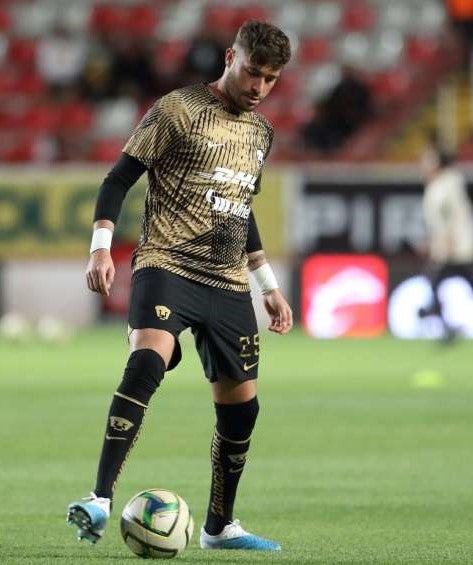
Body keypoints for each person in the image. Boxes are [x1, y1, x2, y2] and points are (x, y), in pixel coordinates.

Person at [66, 20, 293, 552]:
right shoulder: (177, 110)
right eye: (252, 72)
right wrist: (100, 247)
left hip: (228, 280)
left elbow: (240, 207)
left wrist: (267, 284)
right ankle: (99, 498)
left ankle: (219, 527)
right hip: (167, 264)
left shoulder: (261, 133)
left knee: (242, 411)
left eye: (271, 79)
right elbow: (117, 178)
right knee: (147, 362)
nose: (259, 87)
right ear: (229, 56)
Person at [417, 141, 473, 345]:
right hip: (456, 246)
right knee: (464, 286)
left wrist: (447, 241)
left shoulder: (443, 185)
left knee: (435, 283)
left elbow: (449, 215)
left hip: (455, 248)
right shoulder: (446, 183)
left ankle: (446, 325)